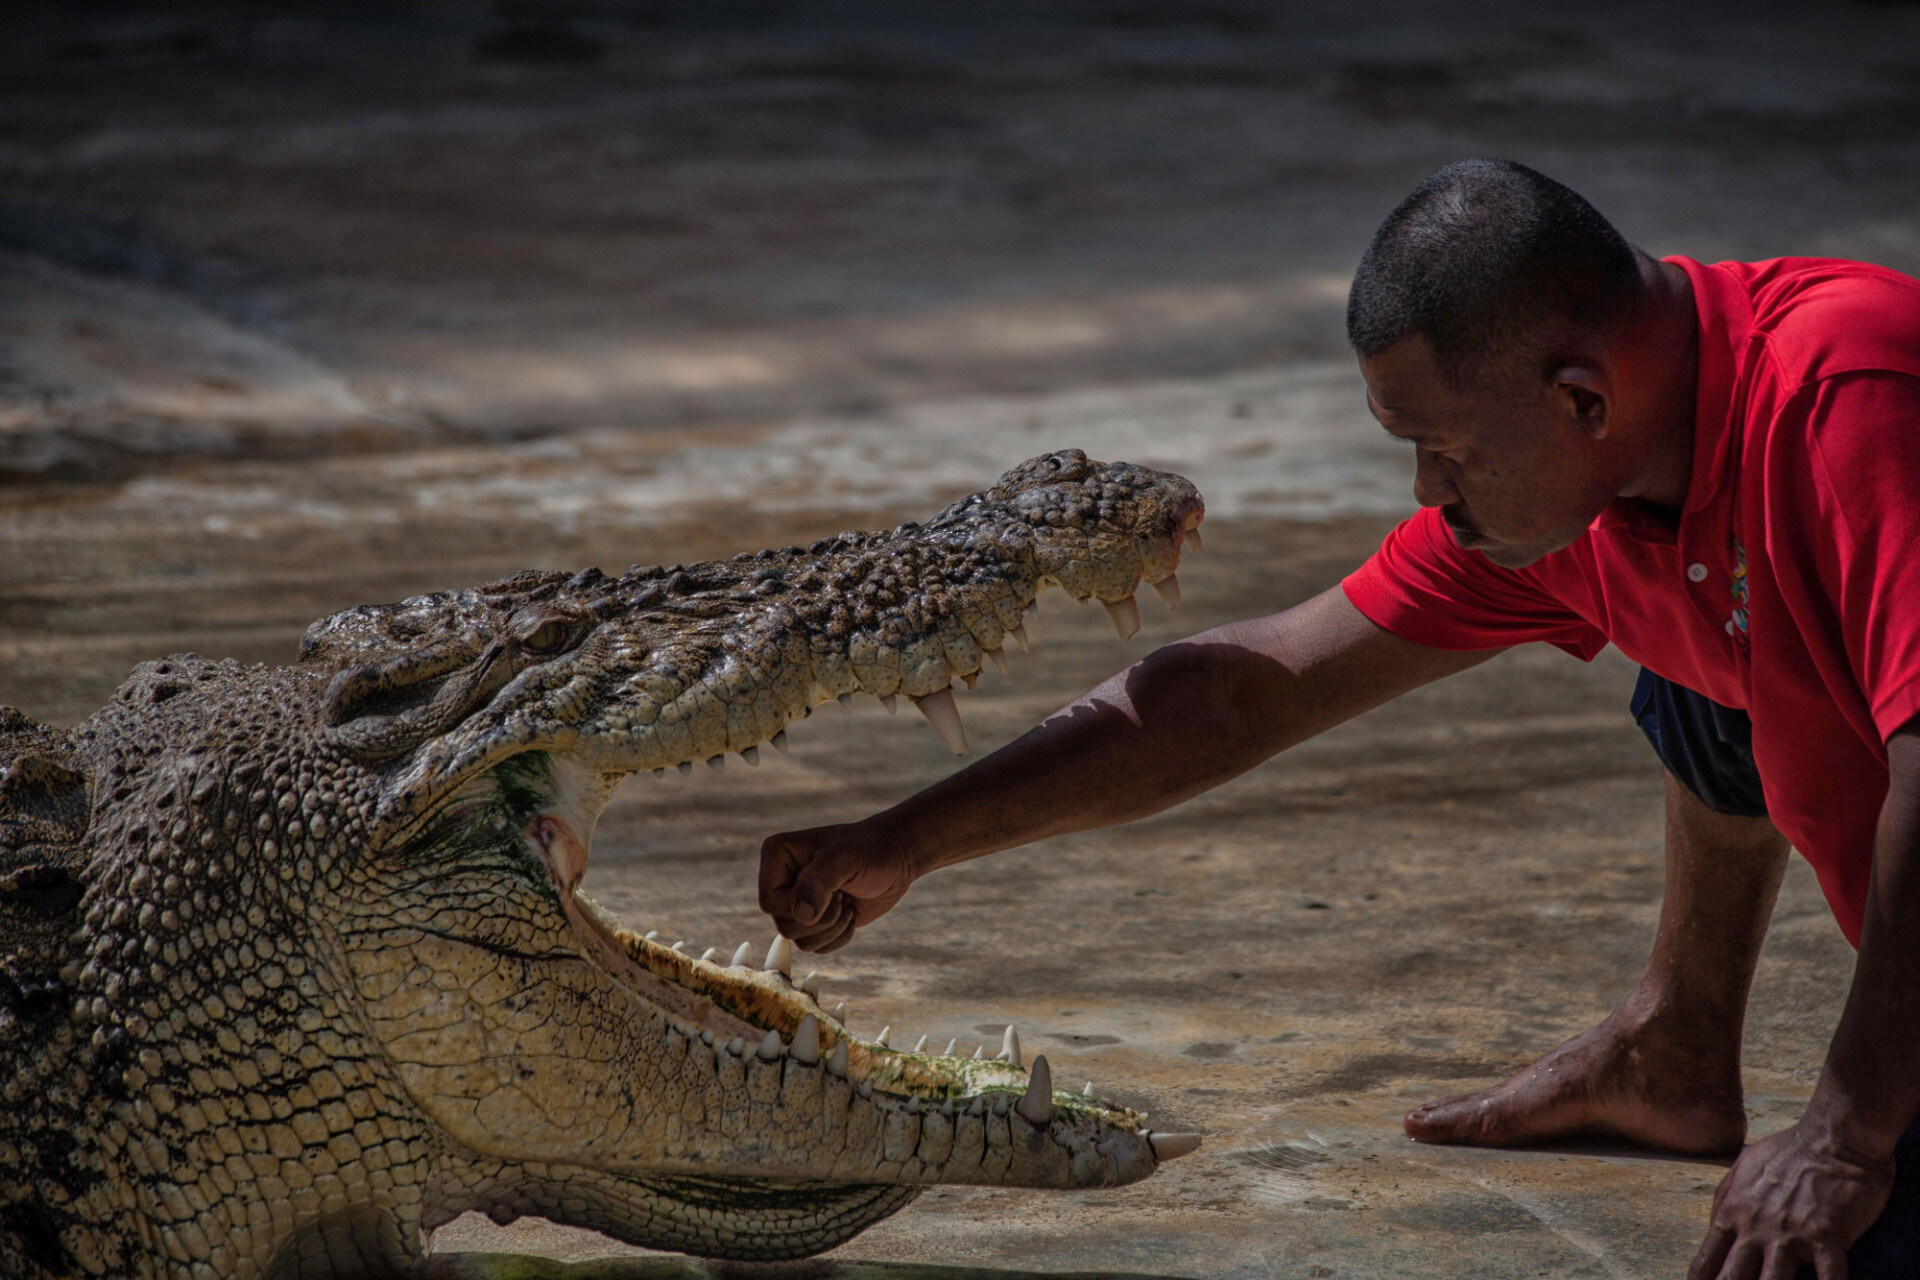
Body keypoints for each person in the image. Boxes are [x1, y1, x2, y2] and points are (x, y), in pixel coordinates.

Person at [756, 159, 1920, 1279]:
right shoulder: (1583, 487)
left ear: (1582, 397)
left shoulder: (1847, 396)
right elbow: (1235, 692)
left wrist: (1847, 1133)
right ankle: (1676, 1036)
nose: (1426, 491)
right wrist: (906, 837)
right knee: (1716, 645)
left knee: (1812, 1251)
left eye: (1444, 449)